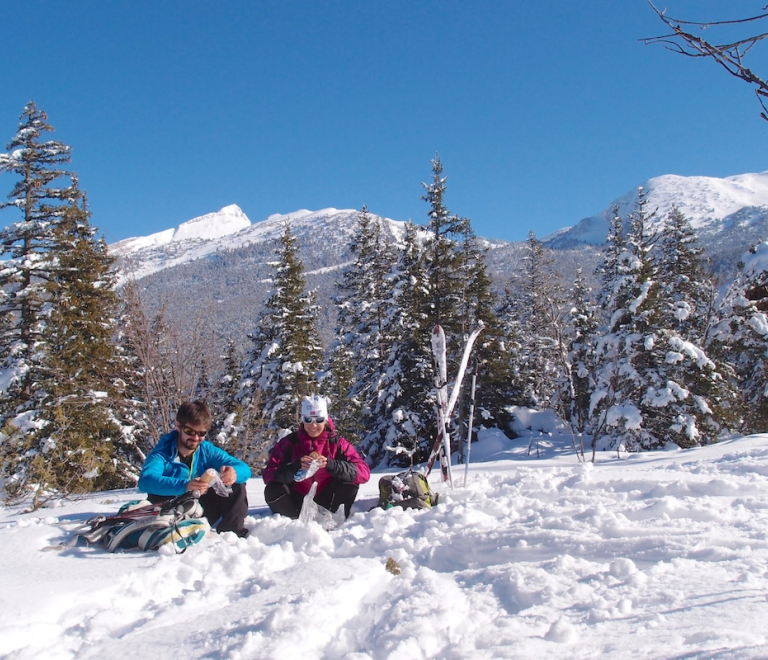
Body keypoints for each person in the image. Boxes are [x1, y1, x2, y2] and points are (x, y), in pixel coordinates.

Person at [138, 400, 252, 538]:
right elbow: (146, 480)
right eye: (190, 431)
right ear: (178, 427)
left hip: (200, 508)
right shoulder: (162, 453)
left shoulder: (206, 450)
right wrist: (184, 486)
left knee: (237, 484)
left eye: (201, 433)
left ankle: (231, 536)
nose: (196, 438)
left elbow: (243, 468)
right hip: (170, 510)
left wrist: (234, 473)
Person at [263, 395, 370, 519]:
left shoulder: (337, 443)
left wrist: (332, 465)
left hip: (328, 499)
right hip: (297, 501)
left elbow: (363, 472)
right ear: (302, 420)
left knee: (350, 481)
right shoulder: (289, 443)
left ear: (325, 420)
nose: (313, 425)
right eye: (308, 420)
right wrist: (295, 467)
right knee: (272, 489)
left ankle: (333, 519)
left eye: (318, 420)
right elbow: (268, 475)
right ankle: (293, 522)